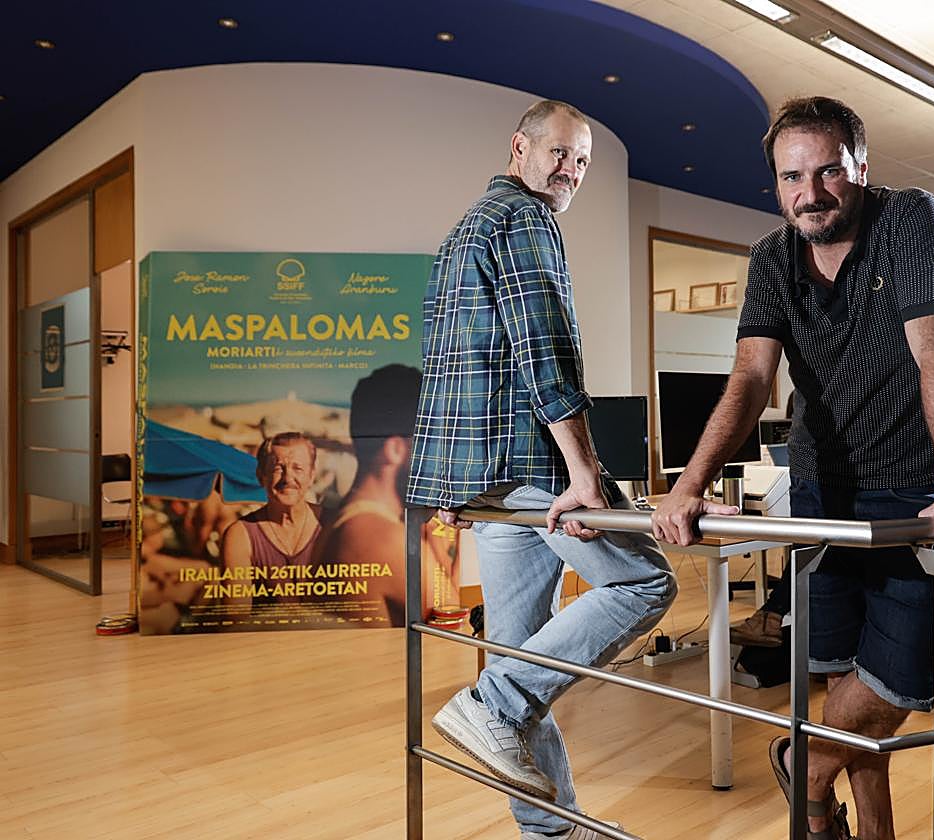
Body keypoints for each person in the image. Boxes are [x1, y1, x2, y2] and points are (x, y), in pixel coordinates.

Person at [650, 96, 934, 840]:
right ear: (776, 184)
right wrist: (688, 484)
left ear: (860, 167)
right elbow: (750, 378)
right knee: (840, 671)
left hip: (910, 491)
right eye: (791, 176)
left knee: (899, 682)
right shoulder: (773, 257)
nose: (811, 193)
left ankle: (801, 763)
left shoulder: (909, 220)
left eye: (829, 170)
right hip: (817, 492)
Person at [404, 99, 677, 840]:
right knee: (648, 581)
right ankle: (492, 704)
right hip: (532, 466)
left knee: (521, 653)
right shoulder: (526, 219)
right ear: (519, 147)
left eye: (583, 161)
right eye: (560, 153)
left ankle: (550, 831)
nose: (572, 171)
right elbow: (545, 347)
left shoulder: (463, 230)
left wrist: (448, 484)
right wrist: (585, 474)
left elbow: (446, 369)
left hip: (487, 485)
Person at [315, 363, 458, 626]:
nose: (440, 456)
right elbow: (453, 622)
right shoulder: (382, 538)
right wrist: (443, 542)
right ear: (394, 450)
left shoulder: (341, 520)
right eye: (430, 441)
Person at [221, 432, 322, 609]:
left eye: (298, 468)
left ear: (312, 476)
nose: (287, 479)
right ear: (261, 477)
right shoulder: (241, 536)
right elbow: (235, 620)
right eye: (277, 469)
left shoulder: (333, 525)